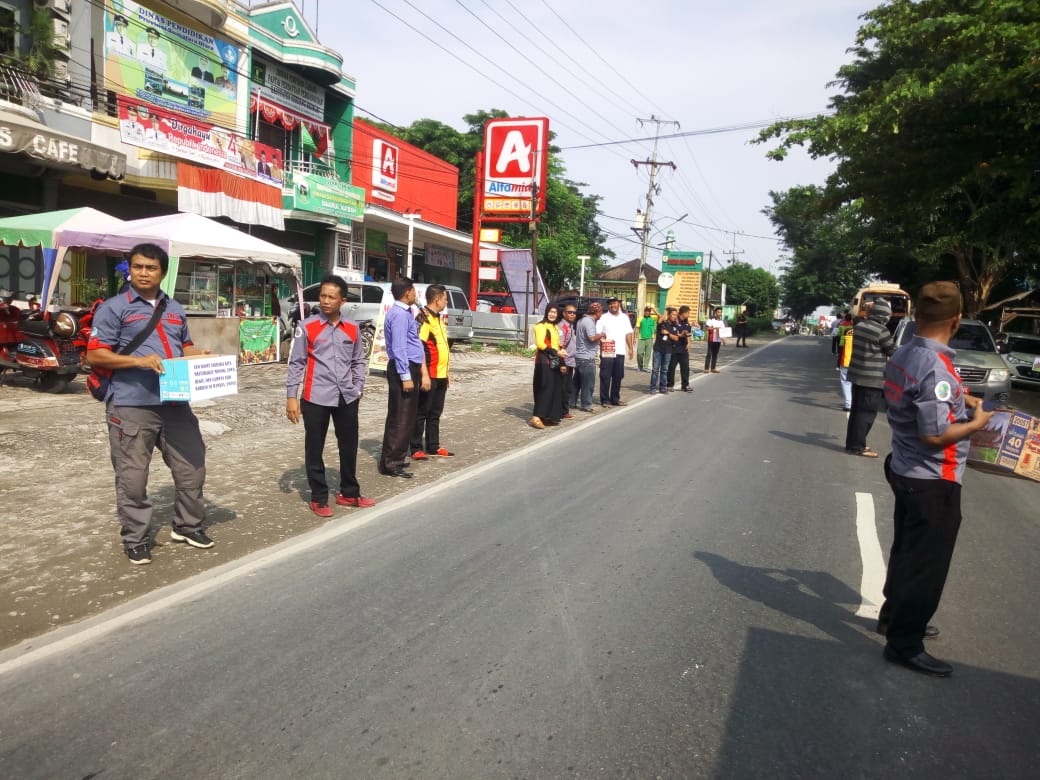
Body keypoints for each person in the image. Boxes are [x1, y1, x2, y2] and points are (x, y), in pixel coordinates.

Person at [877, 281, 993, 677]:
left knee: (906, 550)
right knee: (925, 564)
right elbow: (934, 434)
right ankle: (905, 643)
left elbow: (924, 399)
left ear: (917, 316)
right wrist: (975, 423)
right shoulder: (935, 367)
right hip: (933, 478)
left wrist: (963, 399)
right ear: (957, 320)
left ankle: (893, 617)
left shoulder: (904, 353)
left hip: (905, 468)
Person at [86, 243, 214, 565]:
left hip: (175, 402)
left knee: (192, 468)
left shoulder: (175, 309)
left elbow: (184, 347)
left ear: (163, 272)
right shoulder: (114, 308)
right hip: (131, 404)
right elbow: (95, 354)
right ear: (130, 269)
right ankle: (136, 538)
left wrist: (201, 356)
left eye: (151, 268)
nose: (143, 273)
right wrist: (138, 362)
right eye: (138, 267)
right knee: (133, 478)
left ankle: (187, 526)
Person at [285, 276, 372, 517]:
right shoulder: (307, 327)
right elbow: (296, 363)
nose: (325, 301)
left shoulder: (352, 328)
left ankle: (349, 493)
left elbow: (358, 360)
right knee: (315, 448)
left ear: (342, 301)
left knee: (349, 446)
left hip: (347, 397)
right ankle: (319, 497)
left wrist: (358, 387)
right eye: (323, 295)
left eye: (331, 297)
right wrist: (291, 396)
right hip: (315, 397)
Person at [379, 277, 429, 478]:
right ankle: (390, 462)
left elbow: (410, 338)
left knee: (407, 416)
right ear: (407, 292)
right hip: (404, 367)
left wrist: (418, 321)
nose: (416, 294)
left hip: (410, 366)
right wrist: (405, 376)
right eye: (414, 290)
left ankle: (397, 457)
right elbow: (399, 348)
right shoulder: (399, 314)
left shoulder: (406, 313)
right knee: (400, 416)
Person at [845, 298, 895, 457]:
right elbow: (892, 351)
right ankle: (858, 447)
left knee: (856, 412)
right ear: (884, 315)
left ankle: (852, 444)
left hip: (856, 375)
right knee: (866, 414)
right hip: (872, 379)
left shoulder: (859, 326)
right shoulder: (881, 330)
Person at [410, 284, 455, 459]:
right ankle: (415, 448)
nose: (446, 302)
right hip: (429, 374)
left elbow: (442, 347)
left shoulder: (438, 319)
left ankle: (433, 446)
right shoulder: (424, 318)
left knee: (435, 412)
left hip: (441, 374)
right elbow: (419, 347)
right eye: (445, 299)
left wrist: (447, 373)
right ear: (437, 299)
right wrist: (424, 375)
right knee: (421, 412)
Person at [530, 304, 566, 429]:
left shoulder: (555, 327)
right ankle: (536, 417)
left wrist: (562, 362)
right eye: (551, 312)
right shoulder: (540, 326)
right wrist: (557, 353)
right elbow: (540, 344)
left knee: (554, 389)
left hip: (555, 360)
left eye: (555, 312)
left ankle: (547, 416)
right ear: (546, 312)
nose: (552, 314)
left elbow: (557, 344)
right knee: (545, 388)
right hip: (544, 361)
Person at [597, 296, 635, 406]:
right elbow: (598, 333)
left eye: (614, 303)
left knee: (618, 376)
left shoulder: (624, 318)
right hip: (608, 351)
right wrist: (602, 341)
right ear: (607, 305)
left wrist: (630, 348)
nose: (612, 305)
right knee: (605, 376)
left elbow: (628, 333)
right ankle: (605, 400)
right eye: (610, 304)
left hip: (620, 351)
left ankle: (615, 399)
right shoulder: (603, 318)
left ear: (619, 304)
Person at [572, 302, 604, 413]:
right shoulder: (589, 322)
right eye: (601, 312)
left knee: (576, 382)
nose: (601, 314)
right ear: (597, 312)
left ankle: (571, 402)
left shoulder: (581, 320)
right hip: (587, 357)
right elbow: (591, 338)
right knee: (588, 383)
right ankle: (586, 405)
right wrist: (601, 335)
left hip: (579, 356)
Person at [650, 307, 679, 394]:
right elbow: (659, 322)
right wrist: (666, 312)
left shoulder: (675, 326)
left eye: (676, 315)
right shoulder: (663, 322)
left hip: (668, 350)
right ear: (669, 315)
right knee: (655, 370)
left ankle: (663, 387)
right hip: (658, 349)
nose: (675, 316)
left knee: (665, 370)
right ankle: (653, 387)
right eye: (673, 314)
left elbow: (676, 338)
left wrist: (668, 333)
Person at [557, 303, 578, 418]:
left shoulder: (570, 326)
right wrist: (562, 363)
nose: (572, 315)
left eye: (574, 313)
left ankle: (564, 410)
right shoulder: (562, 326)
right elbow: (560, 346)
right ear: (564, 314)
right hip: (564, 362)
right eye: (570, 312)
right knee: (563, 388)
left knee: (567, 387)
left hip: (570, 362)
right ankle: (561, 411)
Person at [668, 305, 693, 391]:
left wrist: (689, 343)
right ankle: (670, 385)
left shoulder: (687, 323)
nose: (689, 315)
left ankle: (685, 385)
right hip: (674, 348)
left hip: (683, 348)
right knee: (671, 368)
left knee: (685, 367)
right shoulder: (675, 321)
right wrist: (681, 334)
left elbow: (688, 334)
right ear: (684, 313)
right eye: (688, 313)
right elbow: (672, 332)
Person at [835, 310, 855, 411]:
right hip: (859, 362)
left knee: (845, 381)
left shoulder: (843, 326)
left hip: (846, 359)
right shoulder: (863, 332)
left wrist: (838, 364)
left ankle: (848, 404)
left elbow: (841, 346)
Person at [704, 307, 726, 373]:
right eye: (718, 312)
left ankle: (713, 368)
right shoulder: (711, 319)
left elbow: (723, 332)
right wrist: (715, 328)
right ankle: (706, 368)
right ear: (715, 312)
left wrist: (724, 340)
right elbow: (707, 328)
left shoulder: (721, 322)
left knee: (715, 354)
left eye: (720, 312)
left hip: (718, 339)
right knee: (709, 353)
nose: (719, 313)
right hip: (711, 338)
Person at [635, 306, 657, 371]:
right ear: (644, 311)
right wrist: (635, 338)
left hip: (650, 338)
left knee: (648, 353)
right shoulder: (640, 318)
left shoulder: (653, 318)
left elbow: (660, 317)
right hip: (641, 338)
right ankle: (640, 366)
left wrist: (654, 310)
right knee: (639, 353)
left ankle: (645, 367)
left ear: (650, 312)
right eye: (646, 311)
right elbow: (637, 328)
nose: (647, 312)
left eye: (648, 311)